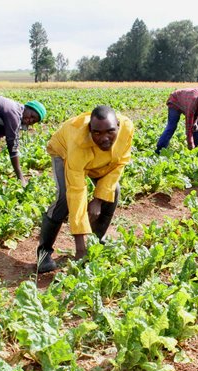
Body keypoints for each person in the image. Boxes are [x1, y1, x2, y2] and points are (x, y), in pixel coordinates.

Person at [36, 105, 134, 273]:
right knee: (65, 199)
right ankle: (44, 252)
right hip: (64, 153)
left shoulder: (127, 128)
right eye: (97, 133)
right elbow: (77, 192)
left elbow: (120, 163)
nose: (104, 138)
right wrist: (79, 248)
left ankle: (96, 239)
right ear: (90, 129)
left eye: (110, 131)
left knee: (114, 190)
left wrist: (98, 199)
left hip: (99, 160)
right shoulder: (77, 143)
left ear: (118, 125)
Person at [155, 87, 198, 153]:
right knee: (172, 126)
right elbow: (188, 128)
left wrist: (195, 122)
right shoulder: (193, 102)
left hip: (185, 100)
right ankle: (160, 149)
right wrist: (190, 144)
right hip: (175, 100)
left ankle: (195, 147)